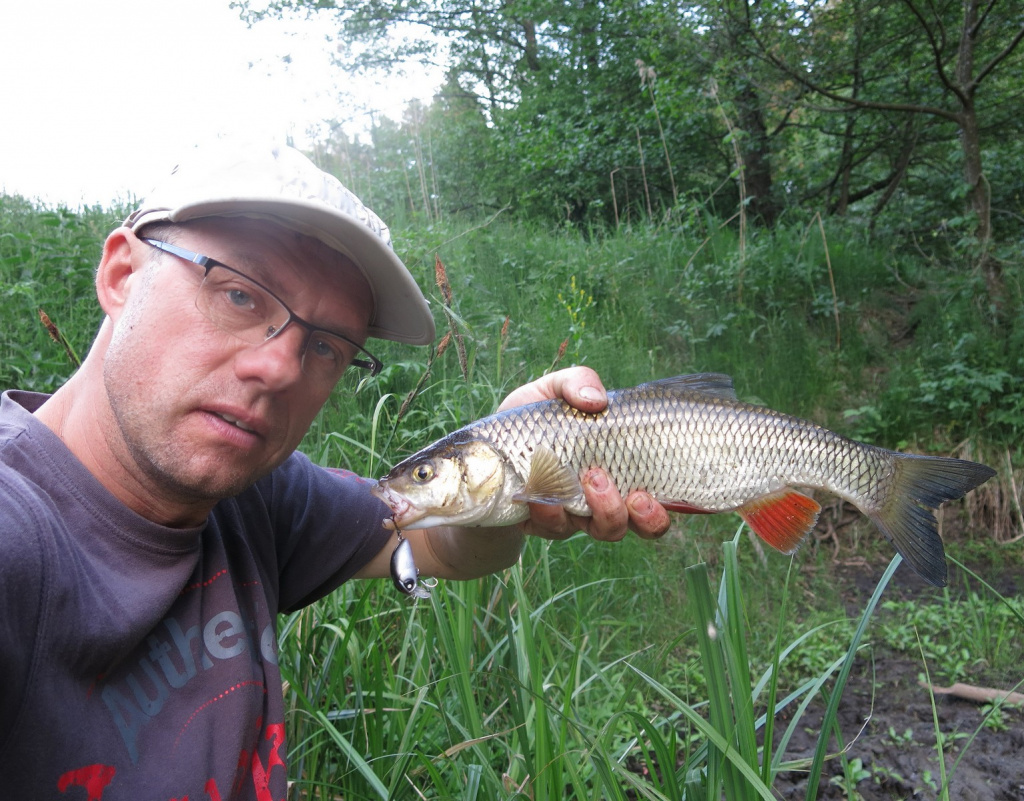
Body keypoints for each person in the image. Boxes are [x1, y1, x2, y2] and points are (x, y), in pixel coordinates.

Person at [0, 141, 669, 798]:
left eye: (326, 344)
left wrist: (507, 464)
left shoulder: (255, 496)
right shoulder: (17, 530)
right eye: (239, 296)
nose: (280, 367)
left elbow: (435, 541)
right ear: (122, 274)